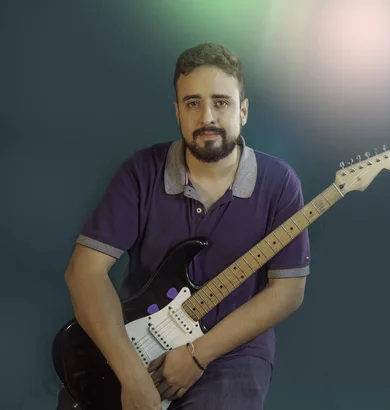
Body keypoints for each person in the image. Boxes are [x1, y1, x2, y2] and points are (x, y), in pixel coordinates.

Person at [58, 43, 311, 410]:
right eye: (193, 103)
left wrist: (197, 355)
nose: (207, 116)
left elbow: (287, 291)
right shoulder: (141, 171)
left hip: (232, 352)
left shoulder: (280, 183)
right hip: (134, 336)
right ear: (177, 112)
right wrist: (131, 377)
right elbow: (84, 273)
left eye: (221, 102)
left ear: (243, 110)